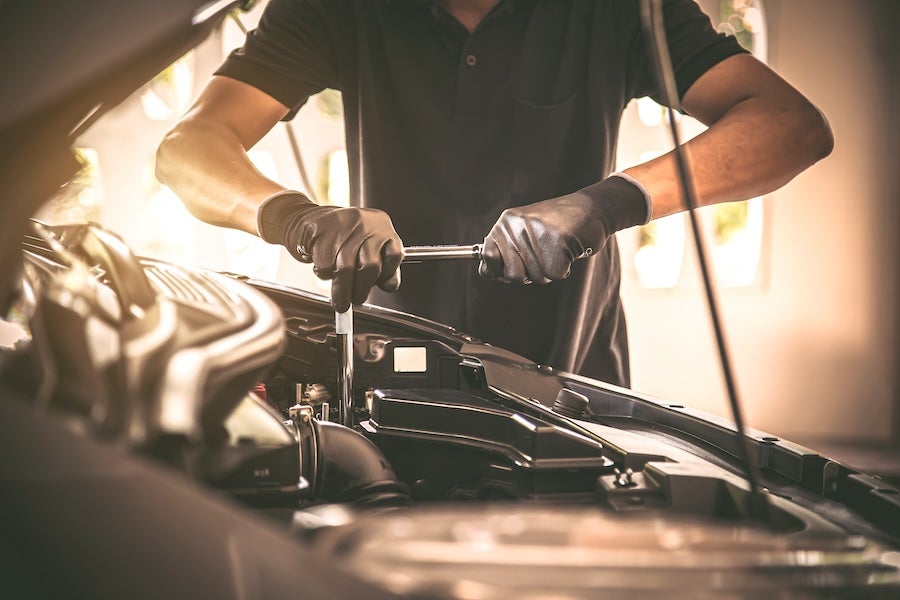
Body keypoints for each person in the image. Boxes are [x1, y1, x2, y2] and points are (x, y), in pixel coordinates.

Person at [156, 0, 832, 387]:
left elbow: (790, 126)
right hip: (385, 384)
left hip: (572, 390)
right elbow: (188, 148)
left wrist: (605, 203)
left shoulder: (621, 6)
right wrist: (300, 219)